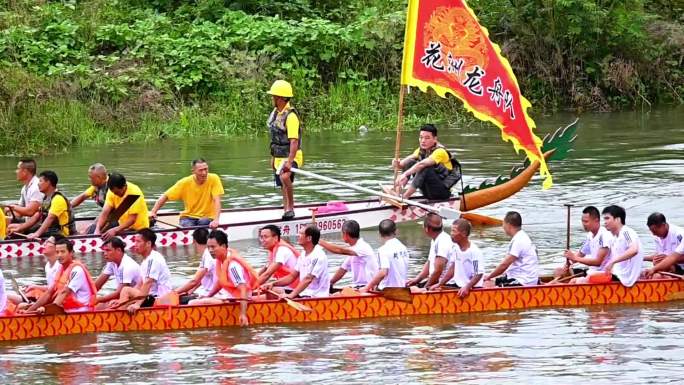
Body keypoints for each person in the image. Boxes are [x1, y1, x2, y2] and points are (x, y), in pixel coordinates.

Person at [188, 230, 257, 326]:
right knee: (198, 298)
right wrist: (208, 296)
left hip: (234, 300)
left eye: (213, 247)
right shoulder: (221, 260)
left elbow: (243, 288)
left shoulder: (233, 265)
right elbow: (220, 283)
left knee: (191, 303)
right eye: (208, 247)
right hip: (226, 296)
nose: (210, 250)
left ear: (223, 246)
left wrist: (243, 314)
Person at [22, 238, 97, 314]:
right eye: (57, 252)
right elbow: (49, 293)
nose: (59, 255)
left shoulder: (77, 270)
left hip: (81, 311)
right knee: (22, 307)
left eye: (63, 252)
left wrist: (45, 309)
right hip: (66, 309)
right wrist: (29, 311)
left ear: (71, 253)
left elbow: (63, 293)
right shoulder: (61, 268)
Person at [149, 159, 224, 229]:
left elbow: (216, 200)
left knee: (203, 223)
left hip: (208, 216)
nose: (204, 173)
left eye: (206, 169)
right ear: (193, 171)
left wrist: (216, 220)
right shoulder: (185, 182)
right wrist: (153, 212)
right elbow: (165, 196)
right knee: (187, 226)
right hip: (188, 216)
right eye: (200, 170)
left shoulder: (214, 178)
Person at [266, 80, 303, 220]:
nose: (272, 99)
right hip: (278, 155)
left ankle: (291, 207)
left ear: (280, 98)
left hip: (292, 155)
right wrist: (273, 157)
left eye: (274, 96)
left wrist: (290, 161)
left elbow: (294, 140)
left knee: (285, 176)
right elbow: (275, 138)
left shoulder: (291, 116)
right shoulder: (276, 113)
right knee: (281, 182)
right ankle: (285, 208)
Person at [393, 124, 460, 200]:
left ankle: (405, 197)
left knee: (424, 167)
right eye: (421, 137)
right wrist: (396, 163)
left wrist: (405, 174)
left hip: (441, 192)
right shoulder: (421, 150)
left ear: (435, 139)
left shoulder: (440, 151)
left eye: (427, 138)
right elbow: (402, 165)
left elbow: (422, 164)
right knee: (410, 162)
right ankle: (398, 192)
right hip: (427, 191)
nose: (423, 141)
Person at [262, 225, 330, 299]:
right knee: (272, 289)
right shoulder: (303, 254)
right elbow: (292, 276)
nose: (298, 236)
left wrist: (291, 295)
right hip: (303, 293)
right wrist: (273, 283)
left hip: (315, 296)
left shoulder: (318, 255)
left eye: (301, 234)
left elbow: (308, 279)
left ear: (309, 238)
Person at [115, 228, 173, 313]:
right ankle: (120, 315)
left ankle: (120, 322)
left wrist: (137, 304)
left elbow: (148, 282)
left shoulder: (153, 259)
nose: (135, 245)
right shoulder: (145, 261)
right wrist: (121, 301)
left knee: (126, 290)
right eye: (135, 241)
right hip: (150, 296)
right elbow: (140, 284)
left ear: (148, 243)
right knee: (122, 297)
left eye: (138, 241)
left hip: (160, 298)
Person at [557, 206, 613, 284]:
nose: (583, 224)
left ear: (596, 221)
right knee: (558, 272)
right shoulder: (590, 235)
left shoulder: (604, 235)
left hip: (603, 274)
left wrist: (575, 258)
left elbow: (598, 262)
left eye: (586, 221)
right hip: (592, 273)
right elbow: (580, 254)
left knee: (573, 281)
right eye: (582, 221)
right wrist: (569, 262)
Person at [431, 219, 485, 297]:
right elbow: (452, 269)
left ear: (464, 233)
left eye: (454, 231)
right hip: (459, 286)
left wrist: (467, 287)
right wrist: (439, 284)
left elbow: (478, 273)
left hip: (473, 288)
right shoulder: (455, 248)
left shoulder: (474, 251)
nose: (451, 234)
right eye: (451, 231)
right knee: (433, 289)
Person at [483, 211, 539, 287]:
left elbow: (504, 265)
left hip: (523, 282)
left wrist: (489, 276)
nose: (502, 226)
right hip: (521, 277)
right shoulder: (522, 236)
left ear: (508, 225)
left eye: (503, 223)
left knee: (487, 284)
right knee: (487, 282)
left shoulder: (519, 240)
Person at [174, 228, 230, 304]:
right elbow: (200, 278)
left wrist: (173, 293)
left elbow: (194, 281)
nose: (211, 250)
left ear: (194, 241)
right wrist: (191, 290)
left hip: (216, 294)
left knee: (181, 300)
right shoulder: (211, 253)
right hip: (212, 291)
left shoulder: (208, 254)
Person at [319, 220, 378, 290]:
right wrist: (330, 283)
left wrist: (319, 241)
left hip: (367, 288)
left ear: (345, 234)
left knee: (338, 295)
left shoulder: (362, 247)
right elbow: (342, 270)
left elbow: (338, 250)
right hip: (358, 287)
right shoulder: (354, 250)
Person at [94, 172, 149, 241]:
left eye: (117, 192)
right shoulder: (112, 191)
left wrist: (115, 230)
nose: (115, 194)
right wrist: (97, 229)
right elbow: (105, 212)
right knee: (96, 227)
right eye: (113, 193)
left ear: (124, 186)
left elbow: (132, 220)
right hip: (124, 227)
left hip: (139, 229)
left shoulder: (134, 193)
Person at [360, 219, 409, 293]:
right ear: (396, 231)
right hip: (402, 288)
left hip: (388, 291)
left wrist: (366, 288)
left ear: (379, 233)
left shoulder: (383, 250)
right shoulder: (404, 248)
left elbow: (383, 272)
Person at [93, 237, 142, 309]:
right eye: (104, 251)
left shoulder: (127, 266)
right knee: (96, 306)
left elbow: (119, 293)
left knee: (102, 306)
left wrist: (98, 299)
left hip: (138, 299)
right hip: (125, 297)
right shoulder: (112, 262)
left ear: (119, 250)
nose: (105, 254)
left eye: (108, 250)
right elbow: (97, 286)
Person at [406, 213, 452, 289]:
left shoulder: (443, 241)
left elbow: (438, 271)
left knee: (413, 290)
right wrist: (417, 279)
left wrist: (425, 288)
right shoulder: (435, 239)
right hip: (435, 280)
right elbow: (429, 262)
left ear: (427, 229)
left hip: (443, 284)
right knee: (408, 286)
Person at [602, 205, 644, 287]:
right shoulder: (614, 237)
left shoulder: (626, 232)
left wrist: (613, 262)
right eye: (604, 219)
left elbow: (634, 250)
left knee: (585, 280)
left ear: (617, 219)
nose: (605, 222)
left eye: (607, 218)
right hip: (618, 274)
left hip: (626, 277)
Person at [26, 171, 76, 239]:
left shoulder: (58, 198)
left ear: (48, 182)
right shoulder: (46, 198)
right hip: (51, 230)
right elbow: (37, 215)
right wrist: (20, 227)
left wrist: (37, 234)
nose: (38, 184)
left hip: (62, 233)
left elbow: (50, 218)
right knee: (25, 230)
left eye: (40, 181)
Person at [5, 159, 44, 236]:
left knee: (10, 227)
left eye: (18, 169)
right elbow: (20, 212)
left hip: (38, 224)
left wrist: (13, 207)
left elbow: (30, 212)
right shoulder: (25, 188)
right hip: (28, 221)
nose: (16, 171)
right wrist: (8, 212)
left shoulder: (36, 186)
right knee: (5, 220)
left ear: (25, 171)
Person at [70, 163, 109, 234]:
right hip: (108, 215)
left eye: (91, 177)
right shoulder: (96, 187)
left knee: (90, 230)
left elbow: (108, 212)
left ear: (99, 177)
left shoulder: (111, 188)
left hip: (117, 217)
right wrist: (66, 207)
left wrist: (94, 225)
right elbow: (82, 197)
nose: (89, 179)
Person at [642, 213, 684, 279]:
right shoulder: (657, 237)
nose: (653, 234)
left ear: (663, 225)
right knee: (655, 274)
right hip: (672, 267)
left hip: (681, 268)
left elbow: (672, 258)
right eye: (651, 231)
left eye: (654, 231)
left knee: (657, 276)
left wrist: (654, 269)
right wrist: (641, 258)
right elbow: (660, 256)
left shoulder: (679, 234)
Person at [23, 235, 63, 300]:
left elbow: (57, 290)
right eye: (45, 241)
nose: (44, 244)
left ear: (57, 247)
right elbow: (50, 287)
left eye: (48, 242)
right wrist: (34, 286)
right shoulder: (47, 265)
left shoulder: (60, 266)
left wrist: (36, 287)